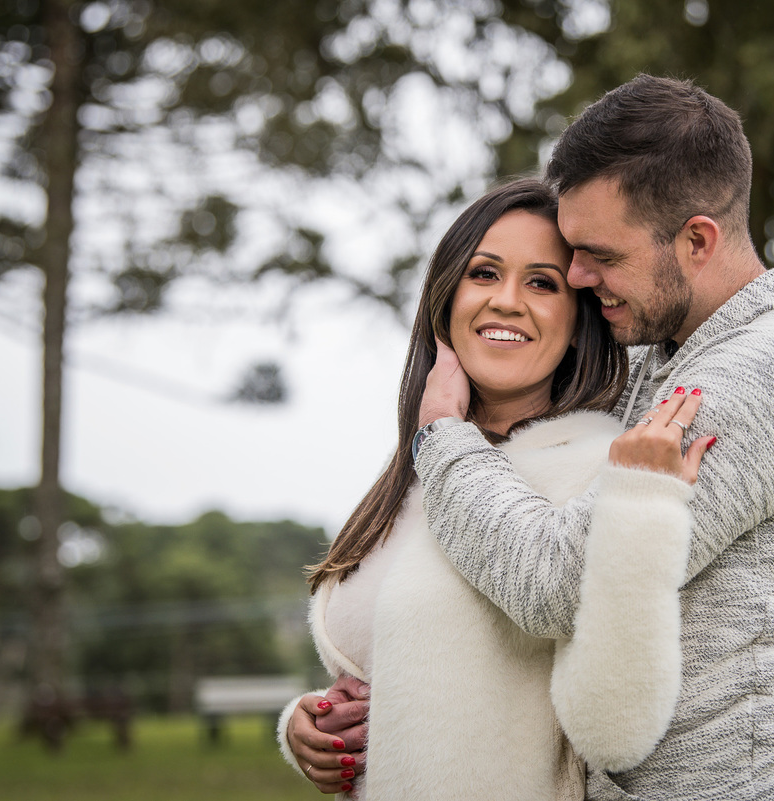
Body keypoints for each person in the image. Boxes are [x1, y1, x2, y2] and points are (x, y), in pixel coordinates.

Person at [277, 177, 715, 800]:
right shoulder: (419, 468)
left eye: (542, 283)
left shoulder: (603, 470)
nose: (507, 301)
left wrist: (641, 510)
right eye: (484, 273)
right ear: (446, 298)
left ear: (578, 320)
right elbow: (410, 679)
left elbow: (614, 734)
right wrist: (311, 726)